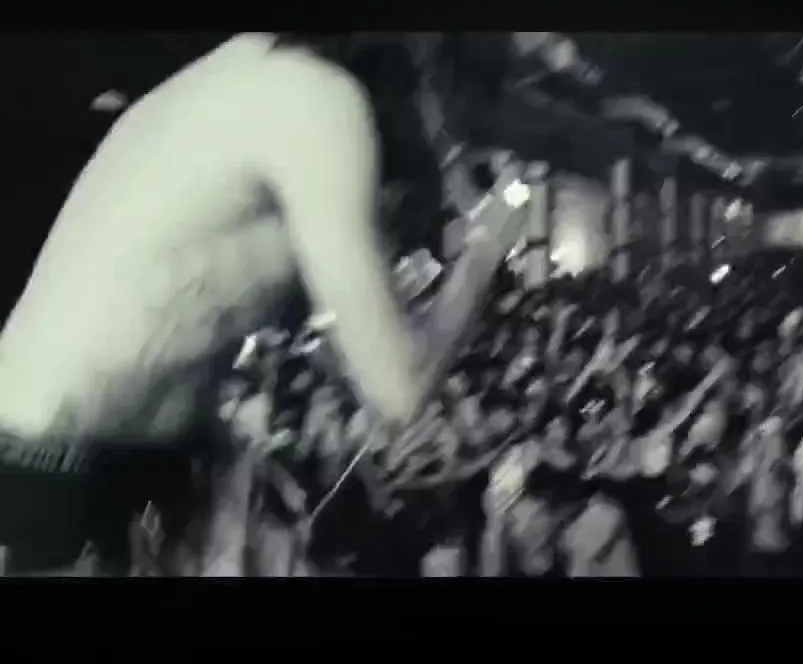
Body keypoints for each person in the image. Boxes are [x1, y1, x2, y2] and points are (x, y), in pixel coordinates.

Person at [0, 32, 529, 574]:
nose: (449, 143)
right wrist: (487, 247)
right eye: (464, 112)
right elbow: (398, 390)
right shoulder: (317, 101)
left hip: (92, 461)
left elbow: (177, 315)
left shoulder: (244, 78)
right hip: (55, 471)